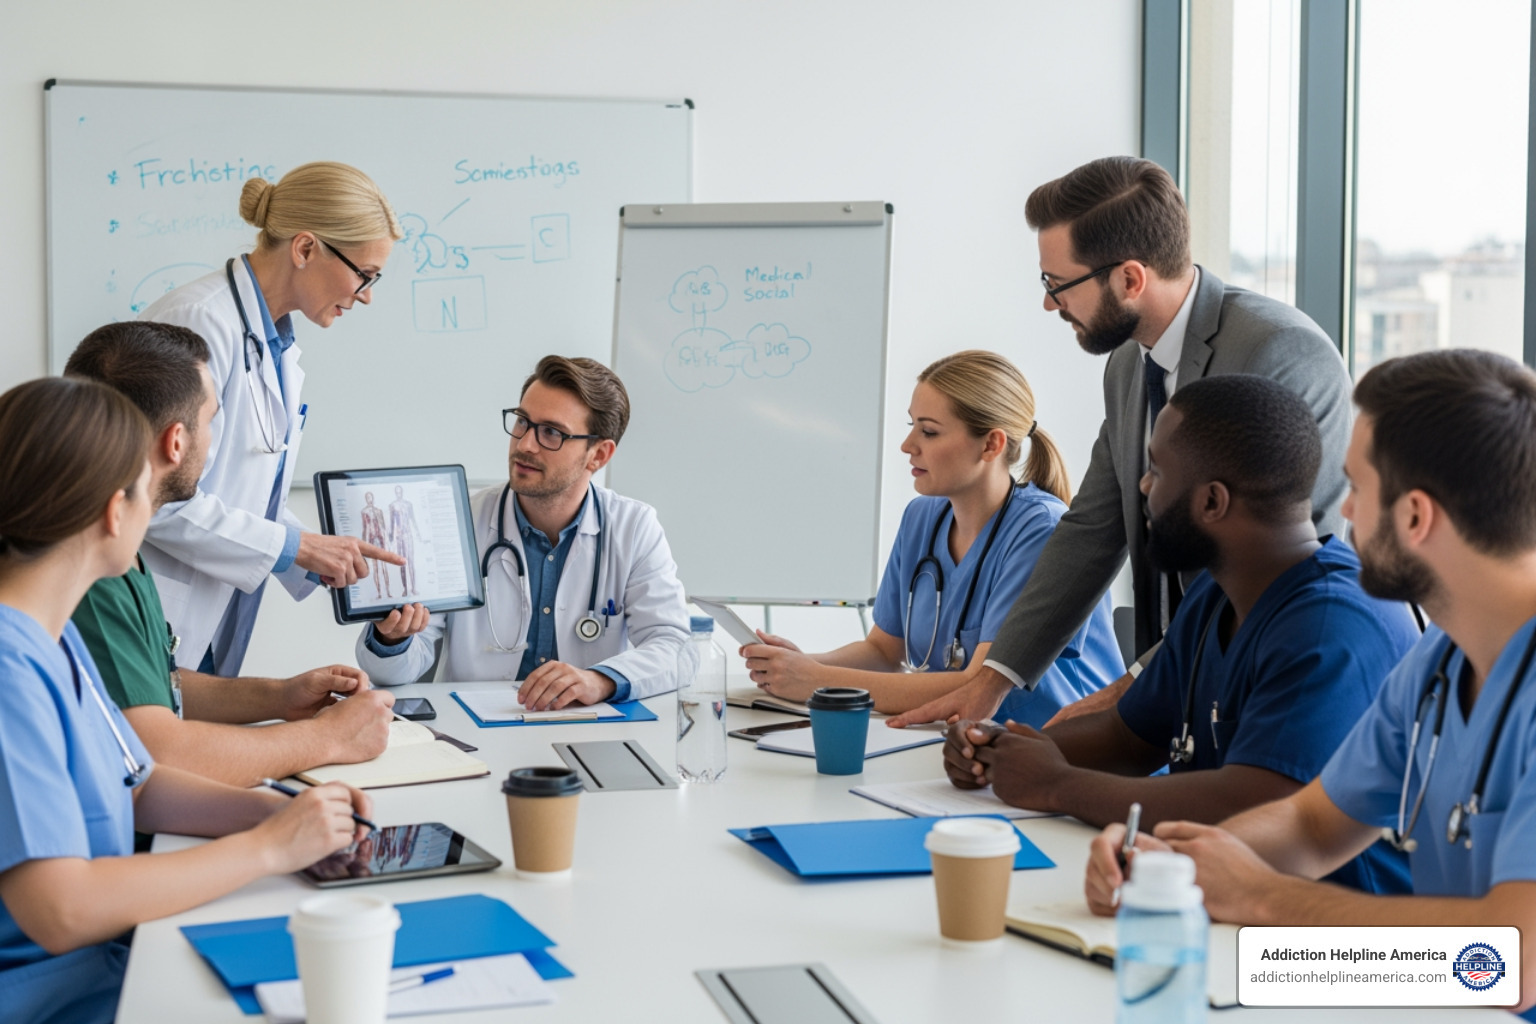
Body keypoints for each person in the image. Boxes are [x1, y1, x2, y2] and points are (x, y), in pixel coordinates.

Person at [1084, 351, 1536, 1016]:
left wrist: (1262, 897)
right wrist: (1168, 864)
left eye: (1358, 488)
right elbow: (1314, 822)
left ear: (1415, 517)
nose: (1344, 508)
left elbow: (1510, 962)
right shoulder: (1440, 662)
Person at [890, 156, 1352, 729]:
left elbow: (1282, 559)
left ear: (1130, 279)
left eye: (1058, 284)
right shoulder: (1129, 365)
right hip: (1181, 702)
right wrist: (994, 680)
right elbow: (1094, 529)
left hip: (1271, 686)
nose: (1049, 303)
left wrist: (1131, 688)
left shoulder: (1278, 351)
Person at [947, 375, 1415, 893]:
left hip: (1338, 923)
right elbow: (1130, 738)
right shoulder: (1218, 591)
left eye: (1156, 470)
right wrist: (1002, 751)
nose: (1143, 487)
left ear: (1212, 502)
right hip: (1223, 894)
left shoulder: (1331, 625)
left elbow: (1257, 803)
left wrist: (1056, 785)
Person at [0, 377, 371, 1024]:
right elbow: (59, 910)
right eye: (145, 490)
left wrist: (275, 812)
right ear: (114, 512)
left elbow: (137, 785)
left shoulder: (52, 636)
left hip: (107, 959)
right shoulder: (10, 668)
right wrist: (268, 849)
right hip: (51, 995)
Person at [64, 321, 396, 789]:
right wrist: (328, 738)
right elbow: (158, 753)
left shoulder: (122, 556)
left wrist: (280, 696)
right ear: (176, 442)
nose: (216, 442)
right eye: (211, 421)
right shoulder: (93, 571)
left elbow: (153, 684)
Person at [741, 350, 1123, 726]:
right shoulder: (921, 519)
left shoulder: (1041, 530)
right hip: (967, 742)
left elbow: (978, 685)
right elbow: (883, 651)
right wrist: (799, 664)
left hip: (1067, 748)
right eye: (911, 426)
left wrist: (817, 680)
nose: (907, 445)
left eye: (928, 431)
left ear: (991, 444)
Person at [140, 161, 405, 678]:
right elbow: (151, 498)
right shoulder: (197, 323)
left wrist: (325, 559)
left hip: (214, 615)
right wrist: (297, 548)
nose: (368, 294)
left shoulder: (275, 344)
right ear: (305, 249)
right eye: (365, 274)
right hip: (163, 608)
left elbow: (245, 493)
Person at [356, 356, 690, 709]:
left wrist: (601, 679)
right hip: (473, 728)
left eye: (552, 433)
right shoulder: (459, 520)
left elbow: (676, 649)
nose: (525, 444)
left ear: (599, 455)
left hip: (587, 727)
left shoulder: (633, 528)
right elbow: (397, 671)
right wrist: (392, 640)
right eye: (522, 422)